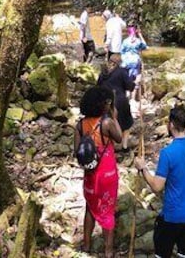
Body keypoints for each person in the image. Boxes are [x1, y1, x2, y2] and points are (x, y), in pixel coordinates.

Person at [134, 105, 185, 258]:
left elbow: (157, 186)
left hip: (171, 216)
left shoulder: (167, 153)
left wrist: (143, 168)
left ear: (171, 125)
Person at [74, 86, 122, 258]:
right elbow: (119, 139)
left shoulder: (80, 125)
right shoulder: (107, 123)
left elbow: (77, 151)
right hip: (107, 173)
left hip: (90, 174)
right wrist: (114, 117)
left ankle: (86, 246)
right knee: (107, 209)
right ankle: (108, 251)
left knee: (90, 207)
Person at [97, 55, 135, 151]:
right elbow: (130, 86)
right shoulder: (121, 72)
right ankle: (124, 146)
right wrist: (134, 81)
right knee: (127, 123)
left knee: (109, 124)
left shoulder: (103, 73)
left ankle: (110, 147)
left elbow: (97, 88)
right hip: (120, 101)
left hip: (106, 103)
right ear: (118, 63)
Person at [120, 25, 147, 102]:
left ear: (128, 33)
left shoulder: (125, 41)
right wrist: (140, 35)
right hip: (135, 62)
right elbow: (145, 46)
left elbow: (121, 52)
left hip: (126, 62)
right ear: (135, 32)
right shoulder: (138, 41)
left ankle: (127, 94)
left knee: (126, 79)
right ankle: (132, 98)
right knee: (135, 79)